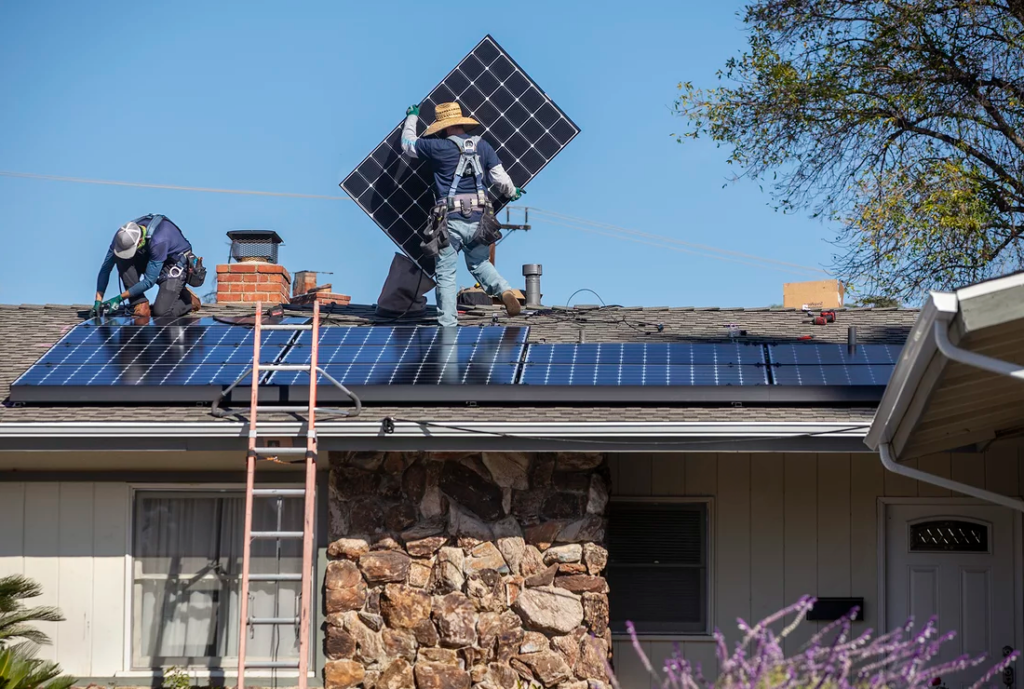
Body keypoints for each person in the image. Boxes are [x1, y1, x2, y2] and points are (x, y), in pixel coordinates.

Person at [400, 101, 526, 327]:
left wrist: (412, 117)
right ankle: (505, 291)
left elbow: (408, 145)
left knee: (446, 274)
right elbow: (499, 176)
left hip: (451, 220)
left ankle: (448, 323)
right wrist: (512, 191)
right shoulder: (483, 146)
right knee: (479, 263)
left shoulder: (437, 147)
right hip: (480, 220)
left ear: (444, 127)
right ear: (461, 123)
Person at [94, 214, 201, 319]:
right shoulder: (122, 236)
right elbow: (106, 269)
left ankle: (188, 301)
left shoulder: (159, 240)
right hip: (151, 257)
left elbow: (149, 281)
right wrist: (98, 301)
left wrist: (118, 298)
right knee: (121, 259)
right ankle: (140, 303)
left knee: (161, 314)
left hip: (174, 265)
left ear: (139, 241)